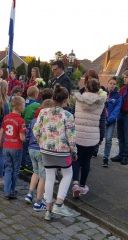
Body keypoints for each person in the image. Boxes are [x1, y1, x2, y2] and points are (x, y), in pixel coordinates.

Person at [33, 83, 77, 220]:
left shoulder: (43, 112)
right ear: (66, 100)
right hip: (62, 151)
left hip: (46, 150)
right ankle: (59, 203)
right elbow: (71, 137)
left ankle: (48, 210)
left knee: (50, 177)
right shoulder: (68, 115)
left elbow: (36, 130)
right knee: (68, 174)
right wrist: (74, 152)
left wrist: (42, 142)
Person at [72, 78, 106, 197]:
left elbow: (73, 115)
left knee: (76, 160)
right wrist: (101, 137)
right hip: (92, 136)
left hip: (78, 135)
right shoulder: (101, 102)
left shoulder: (78, 100)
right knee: (86, 161)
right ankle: (82, 185)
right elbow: (102, 121)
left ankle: (75, 183)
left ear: (85, 87)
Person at [25, 99, 54, 211]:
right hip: (42, 150)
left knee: (35, 172)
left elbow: (28, 134)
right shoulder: (49, 122)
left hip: (32, 149)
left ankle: (29, 193)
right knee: (43, 176)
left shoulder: (33, 121)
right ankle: (38, 202)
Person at [0, 96, 26, 199]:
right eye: (23, 106)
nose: (24, 107)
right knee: (15, 169)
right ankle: (12, 190)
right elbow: (22, 137)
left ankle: (6, 191)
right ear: (19, 107)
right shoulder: (21, 121)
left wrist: (0, 143)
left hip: (6, 146)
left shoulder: (6, 118)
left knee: (8, 169)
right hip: (16, 147)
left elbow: (1, 132)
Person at [102, 77, 122, 167]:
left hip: (110, 120)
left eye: (114, 84)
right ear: (108, 83)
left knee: (109, 139)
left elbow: (116, 110)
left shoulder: (118, 96)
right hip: (101, 119)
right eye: (111, 83)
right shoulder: (102, 94)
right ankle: (94, 151)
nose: (112, 85)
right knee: (97, 137)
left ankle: (105, 158)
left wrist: (108, 120)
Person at [21, 86, 40, 170]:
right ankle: (30, 164)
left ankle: (21, 163)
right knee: (31, 146)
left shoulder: (24, 102)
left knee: (23, 147)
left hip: (23, 126)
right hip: (32, 127)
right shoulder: (37, 105)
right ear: (36, 94)